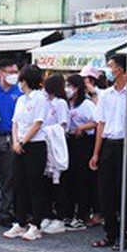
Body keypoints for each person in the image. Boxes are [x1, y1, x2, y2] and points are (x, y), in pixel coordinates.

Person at [89, 55, 127, 250]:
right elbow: (100, 124)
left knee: (125, 190)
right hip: (109, 144)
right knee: (106, 191)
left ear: (120, 69)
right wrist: (96, 152)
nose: (109, 70)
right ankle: (110, 232)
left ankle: (124, 232)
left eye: (111, 67)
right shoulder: (106, 95)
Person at [3, 66, 50, 241]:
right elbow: (15, 122)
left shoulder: (40, 98)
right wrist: (16, 141)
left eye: (21, 80)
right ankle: (20, 222)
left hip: (35, 145)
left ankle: (36, 224)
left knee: (35, 186)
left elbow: (37, 123)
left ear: (25, 81)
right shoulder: (21, 100)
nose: (19, 83)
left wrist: (23, 141)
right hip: (19, 145)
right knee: (19, 185)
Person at [0, 59, 22, 227]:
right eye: (10, 72)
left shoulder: (19, 93)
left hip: (10, 138)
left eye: (16, 72)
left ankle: (5, 213)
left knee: (8, 178)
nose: (14, 75)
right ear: (0, 73)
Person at [40, 73, 71, 234]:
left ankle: (60, 217)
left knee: (58, 182)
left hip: (56, 145)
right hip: (44, 144)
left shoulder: (60, 103)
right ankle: (47, 214)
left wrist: (49, 131)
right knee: (46, 182)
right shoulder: (45, 102)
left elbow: (63, 125)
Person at [66, 74, 97, 231]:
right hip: (69, 141)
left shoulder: (86, 104)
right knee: (70, 177)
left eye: (70, 86)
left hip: (84, 142)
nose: (68, 89)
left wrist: (81, 128)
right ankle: (69, 212)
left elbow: (97, 121)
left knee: (82, 179)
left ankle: (83, 214)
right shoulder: (67, 104)